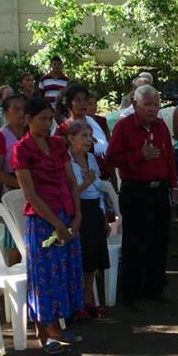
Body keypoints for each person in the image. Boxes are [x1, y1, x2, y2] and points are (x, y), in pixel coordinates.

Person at [13, 97, 83, 353]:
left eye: (49, 118)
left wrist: (76, 216)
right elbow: (29, 193)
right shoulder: (22, 149)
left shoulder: (57, 144)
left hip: (66, 212)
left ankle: (58, 326)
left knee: (64, 272)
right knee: (44, 275)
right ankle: (45, 330)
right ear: (28, 119)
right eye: (41, 118)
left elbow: (71, 182)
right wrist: (57, 223)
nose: (46, 123)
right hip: (42, 220)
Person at [106, 85, 178, 312]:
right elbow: (111, 158)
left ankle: (155, 287)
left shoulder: (161, 126)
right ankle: (131, 292)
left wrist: (174, 185)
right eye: (147, 104)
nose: (152, 109)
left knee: (159, 240)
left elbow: (169, 157)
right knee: (135, 242)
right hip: (136, 190)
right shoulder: (124, 126)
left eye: (155, 104)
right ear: (135, 105)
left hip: (160, 190)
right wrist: (140, 155)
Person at [66, 120, 110, 318]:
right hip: (78, 208)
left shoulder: (91, 158)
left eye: (89, 136)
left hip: (94, 208)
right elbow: (71, 191)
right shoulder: (66, 161)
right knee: (80, 256)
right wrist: (87, 181)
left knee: (92, 257)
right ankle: (77, 303)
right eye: (83, 136)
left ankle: (88, 299)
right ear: (70, 138)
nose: (88, 140)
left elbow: (98, 188)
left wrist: (104, 217)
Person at [0, 94, 25, 266]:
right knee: (14, 237)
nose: (21, 113)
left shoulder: (30, 131)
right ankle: (13, 278)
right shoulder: (1, 136)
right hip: (10, 187)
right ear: (5, 113)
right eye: (16, 109)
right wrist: (21, 185)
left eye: (23, 109)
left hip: (31, 185)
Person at [57, 83, 110, 176]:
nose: (82, 103)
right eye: (78, 100)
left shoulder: (96, 123)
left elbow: (109, 152)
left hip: (100, 176)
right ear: (69, 103)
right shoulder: (62, 130)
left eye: (85, 99)